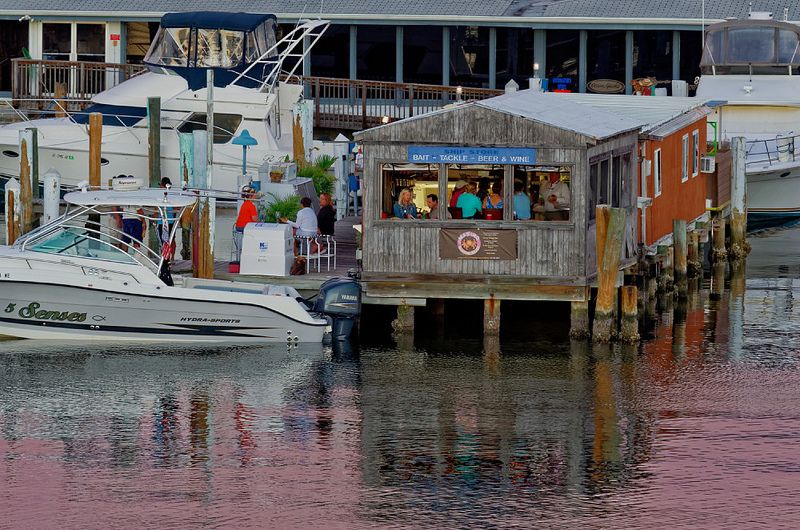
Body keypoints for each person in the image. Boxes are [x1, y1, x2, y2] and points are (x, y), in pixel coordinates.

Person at [234, 186, 259, 261]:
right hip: (245, 227)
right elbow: (255, 219)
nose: (256, 197)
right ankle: (251, 255)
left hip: (238, 226)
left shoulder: (244, 204)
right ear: (252, 196)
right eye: (255, 195)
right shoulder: (251, 205)